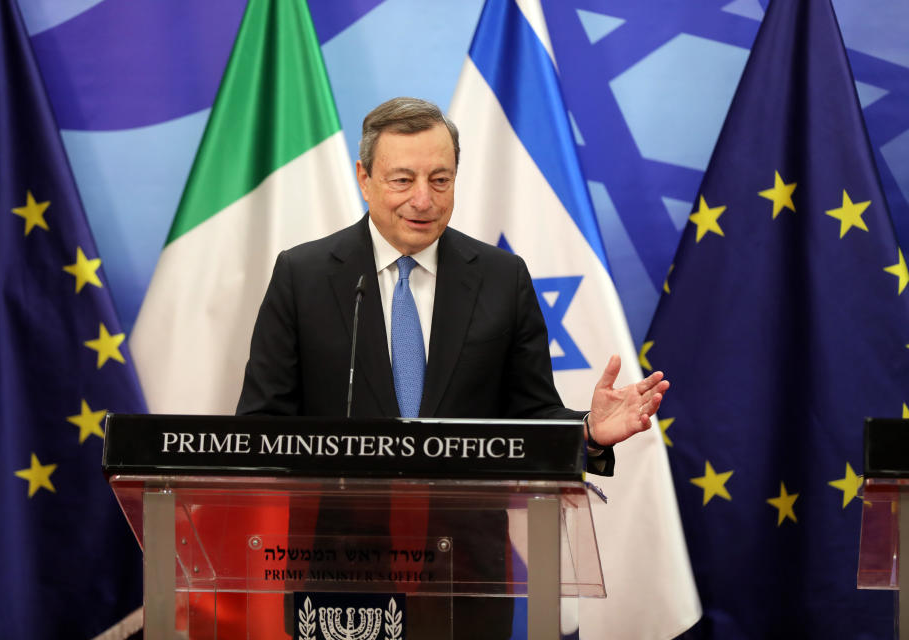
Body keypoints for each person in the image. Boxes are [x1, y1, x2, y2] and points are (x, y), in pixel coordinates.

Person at [236, 97, 668, 638]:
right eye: (402, 179)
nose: (423, 199)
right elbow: (260, 424)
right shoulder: (304, 276)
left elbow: (529, 413)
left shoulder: (500, 279)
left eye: (440, 179)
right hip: (339, 570)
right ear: (364, 179)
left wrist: (587, 431)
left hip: (465, 573)